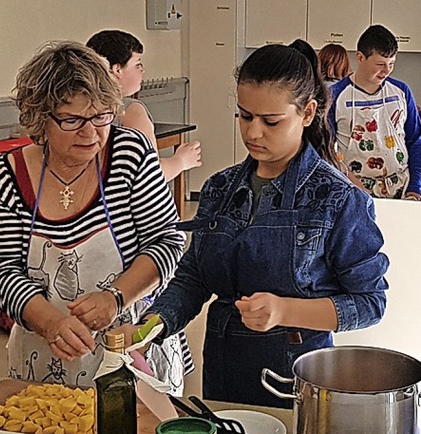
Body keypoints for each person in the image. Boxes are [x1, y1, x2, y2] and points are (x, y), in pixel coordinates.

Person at [120, 40, 389, 408]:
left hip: (294, 375)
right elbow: (194, 277)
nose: (253, 133)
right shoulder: (220, 188)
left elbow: (369, 302)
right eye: (245, 117)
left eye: (271, 121)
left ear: (308, 113)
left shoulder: (337, 198)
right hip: (223, 364)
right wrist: (154, 324)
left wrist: (284, 310)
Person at [0, 41, 191, 395]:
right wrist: (50, 323)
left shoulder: (129, 154)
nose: (91, 133)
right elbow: (0, 270)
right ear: (40, 117)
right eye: (72, 120)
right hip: (43, 351)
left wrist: (115, 298)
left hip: (129, 343)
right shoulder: (8, 174)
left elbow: (168, 241)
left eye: (101, 117)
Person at [86, 30, 201, 182]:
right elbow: (151, 174)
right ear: (117, 70)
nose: (143, 70)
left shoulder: (76, 106)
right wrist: (181, 161)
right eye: (138, 64)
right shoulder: (130, 111)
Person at [328, 25, 421, 200]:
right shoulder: (336, 96)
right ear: (360, 57)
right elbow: (325, 150)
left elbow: (415, 140)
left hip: (402, 187)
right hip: (354, 190)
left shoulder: (401, 92)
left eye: (391, 64)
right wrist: (353, 188)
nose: (386, 71)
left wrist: (415, 188)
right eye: (380, 64)